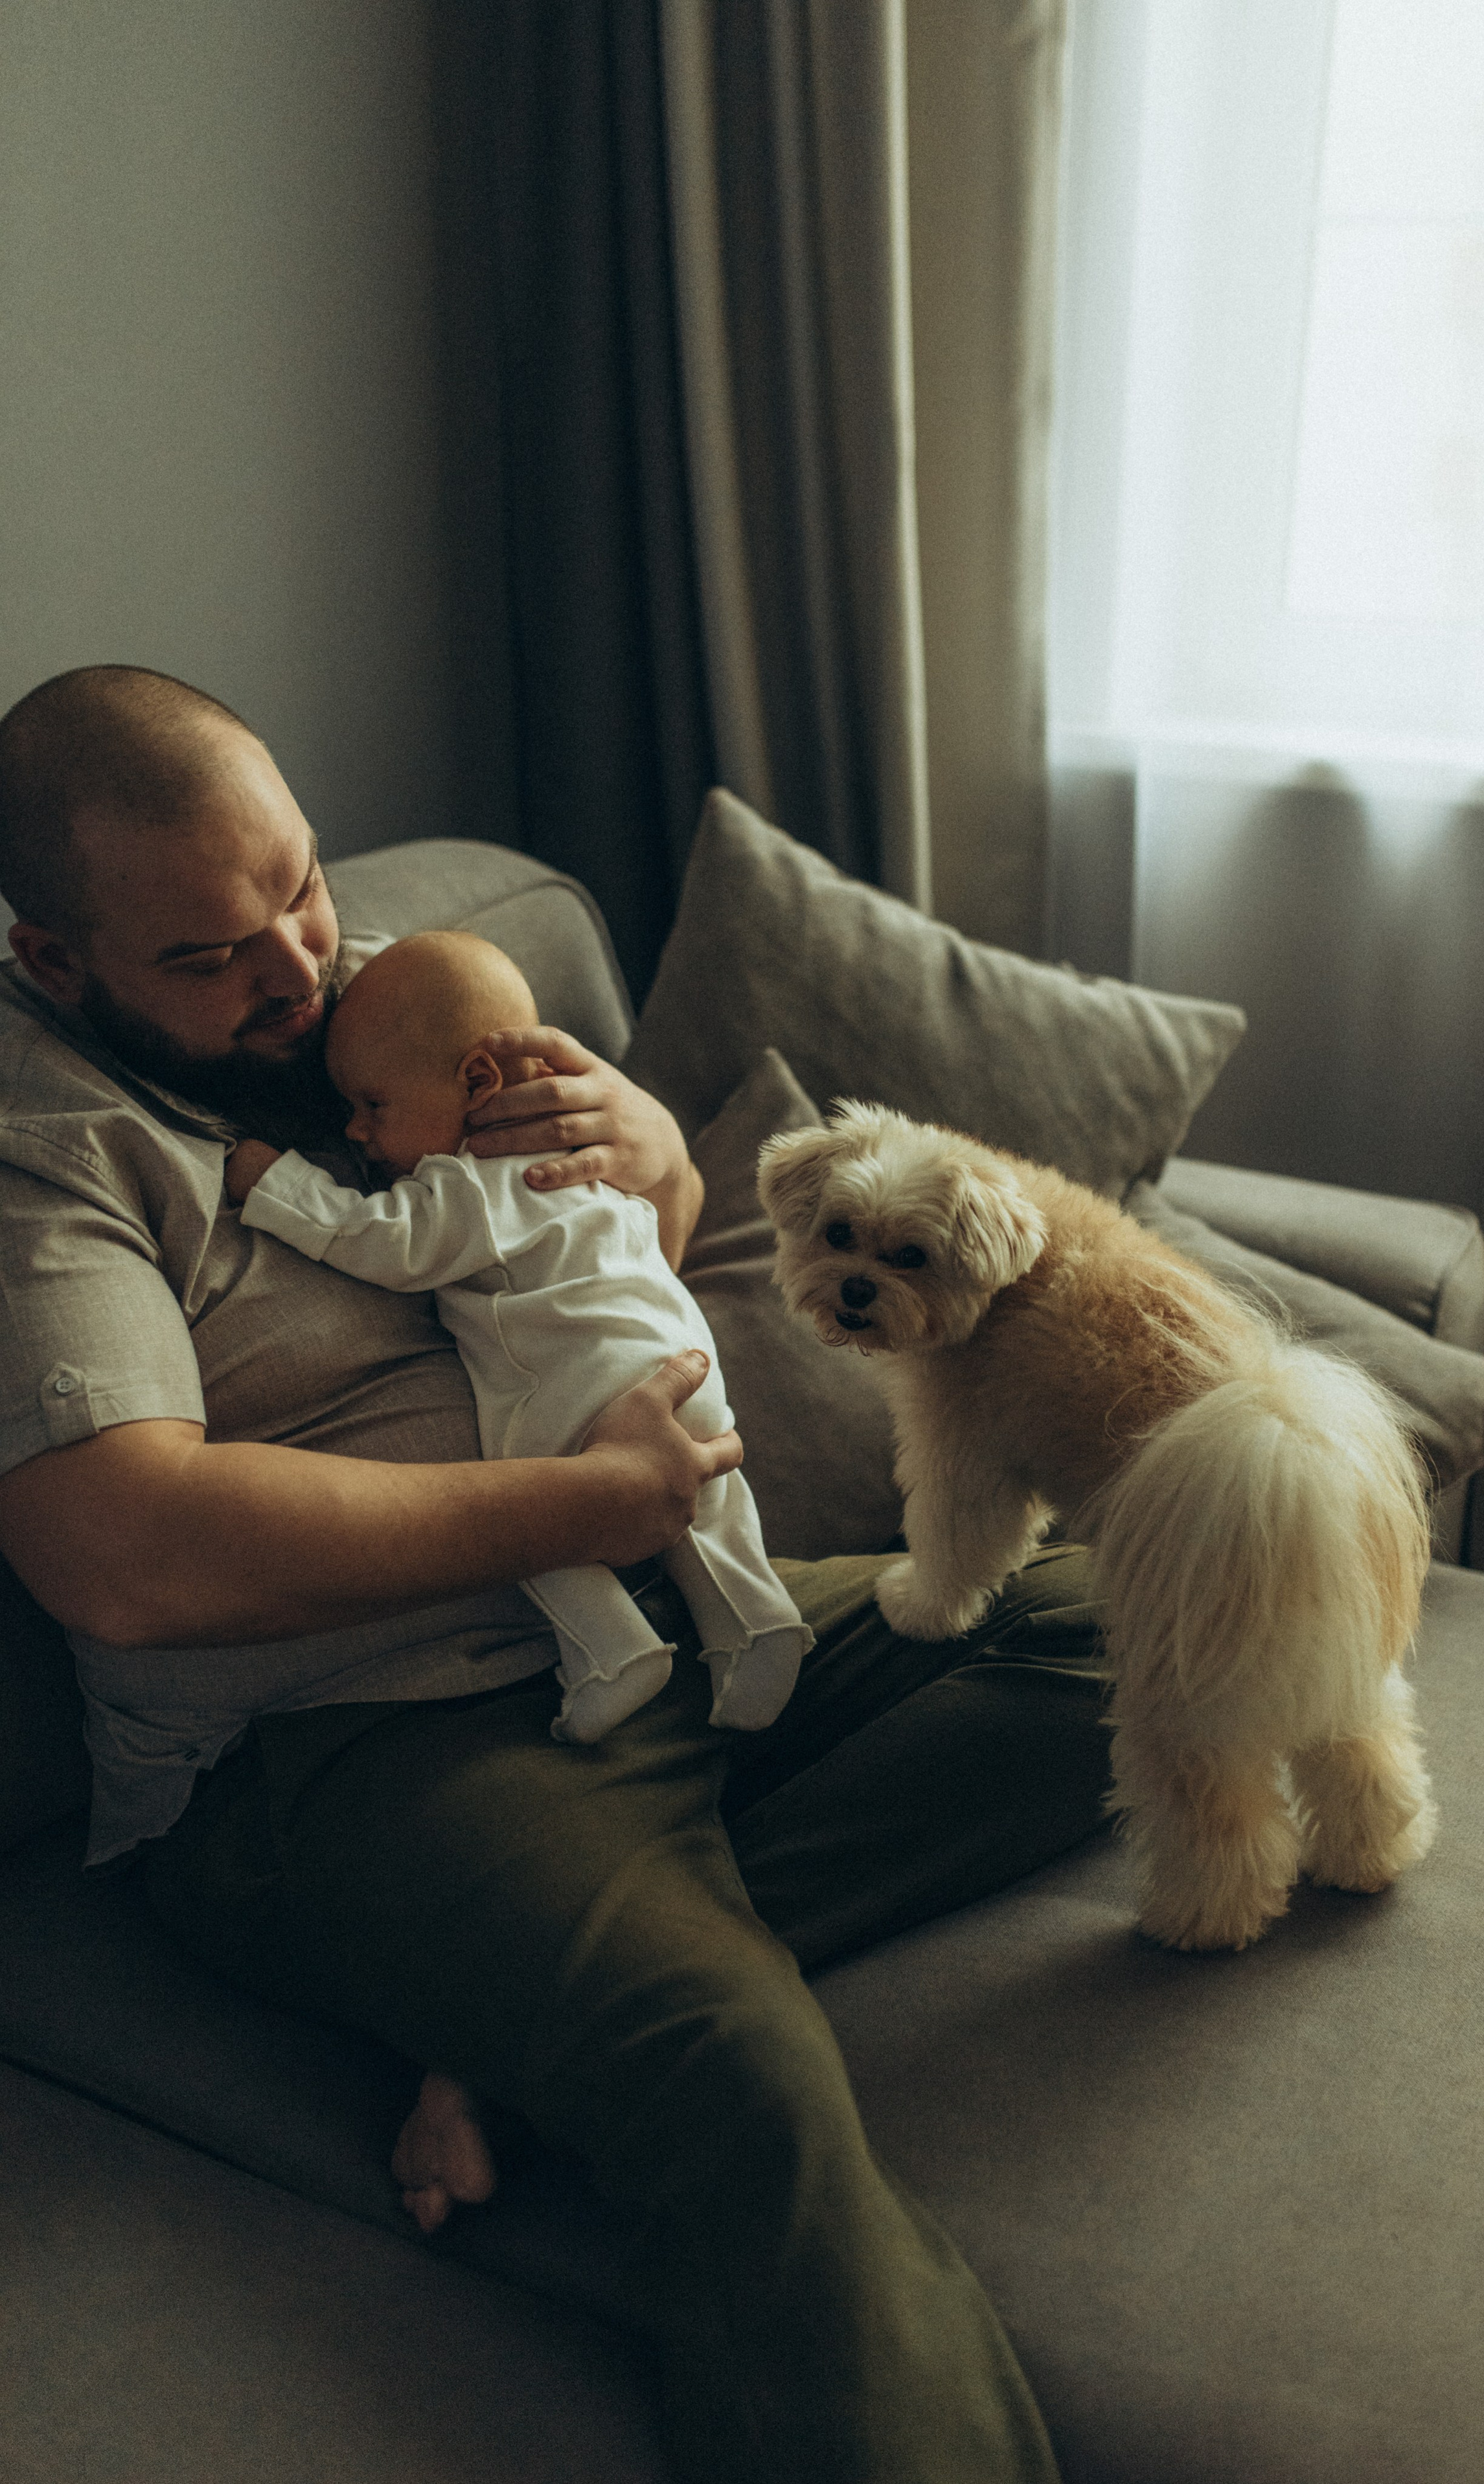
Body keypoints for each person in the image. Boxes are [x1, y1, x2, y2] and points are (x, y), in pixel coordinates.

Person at [0, 664, 1110, 2484]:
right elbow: (122, 1551)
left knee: (1122, 1622)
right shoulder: (48, 1151)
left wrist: (656, 1166)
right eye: (207, 956)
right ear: (58, 960)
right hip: (358, 1743)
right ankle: (629, 1995)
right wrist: (582, 1509)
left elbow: (583, 1252)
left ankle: (518, 2037)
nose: (295, 970)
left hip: (653, 1627)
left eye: (298, 886)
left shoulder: (397, 999)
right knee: (741, 2090)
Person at [225, 926, 812, 1744]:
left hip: (582, 1389)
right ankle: (758, 1625)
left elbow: (388, 1241)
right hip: (685, 1365)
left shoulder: (475, 1180)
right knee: (712, 1511)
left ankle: (611, 1652)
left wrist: (280, 1184)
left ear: (476, 1080)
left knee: (531, 1516)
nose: (357, 1132)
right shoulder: (585, 1169)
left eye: (373, 1106)